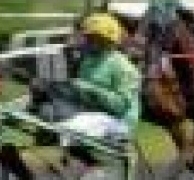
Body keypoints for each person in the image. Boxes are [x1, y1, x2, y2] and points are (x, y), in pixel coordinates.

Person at [48, 13, 141, 143]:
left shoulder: (124, 68)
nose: (85, 41)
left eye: (91, 38)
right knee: (47, 110)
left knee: (67, 127)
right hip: (91, 113)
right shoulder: (88, 60)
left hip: (118, 122)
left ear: (105, 40)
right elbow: (81, 95)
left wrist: (89, 89)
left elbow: (120, 106)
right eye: (87, 37)